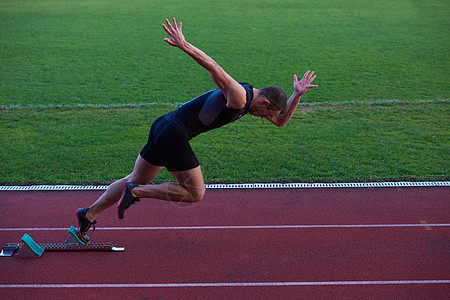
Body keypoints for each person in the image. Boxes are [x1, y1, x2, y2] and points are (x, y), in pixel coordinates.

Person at [76, 17, 318, 243]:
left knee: (134, 176)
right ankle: (136, 192)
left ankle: (88, 214)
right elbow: (214, 68)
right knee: (194, 193)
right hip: (175, 134)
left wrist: (296, 94)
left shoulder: (252, 100)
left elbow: (281, 121)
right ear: (265, 103)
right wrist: (184, 45)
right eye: (267, 114)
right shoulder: (239, 96)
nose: (266, 119)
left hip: (163, 125)